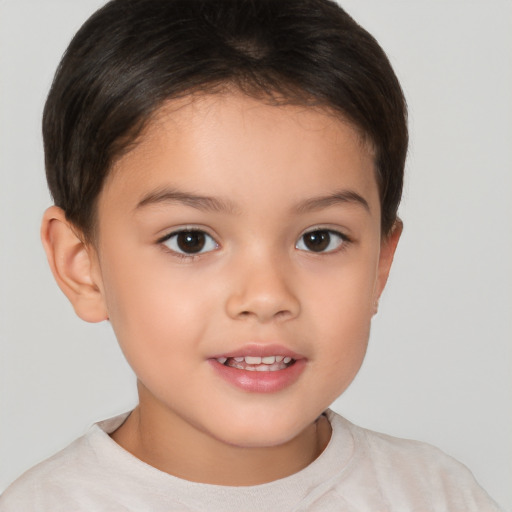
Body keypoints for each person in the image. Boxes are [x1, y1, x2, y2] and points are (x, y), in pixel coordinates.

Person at [0, 0, 503, 510]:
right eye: (190, 240)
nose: (266, 297)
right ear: (82, 266)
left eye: (319, 239)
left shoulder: (438, 496)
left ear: (379, 264)